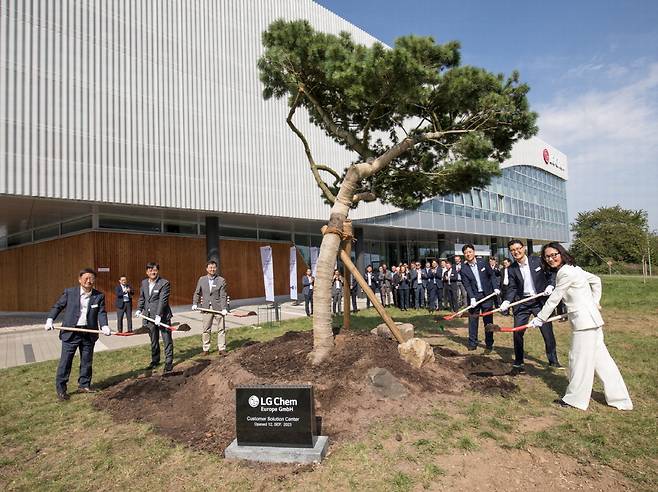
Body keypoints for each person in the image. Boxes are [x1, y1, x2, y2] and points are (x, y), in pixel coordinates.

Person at [530, 242, 633, 411]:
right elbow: (597, 280)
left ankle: (574, 400)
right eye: (547, 256)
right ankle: (621, 399)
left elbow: (555, 297)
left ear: (561, 253)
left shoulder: (565, 272)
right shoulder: (575, 269)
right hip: (592, 321)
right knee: (603, 363)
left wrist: (540, 318)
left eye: (554, 254)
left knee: (578, 361)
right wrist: (594, 302)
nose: (551, 259)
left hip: (584, 324)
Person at [45, 268, 111, 401]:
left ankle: (84, 385)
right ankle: (61, 389)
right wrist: (50, 319)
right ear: (79, 279)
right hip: (71, 332)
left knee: (87, 360)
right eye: (86, 278)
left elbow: (101, 313)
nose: (88, 281)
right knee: (66, 361)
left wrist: (104, 326)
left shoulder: (99, 296)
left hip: (88, 332)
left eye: (91, 278)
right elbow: (58, 306)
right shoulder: (70, 292)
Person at [501, 239, 560, 375]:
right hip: (523, 303)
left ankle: (553, 360)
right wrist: (507, 301)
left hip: (540, 301)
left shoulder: (538, 261)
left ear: (524, 248)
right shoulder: (512, 269)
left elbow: (552, 273)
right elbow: (512, 288)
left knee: (547, 332)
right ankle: (519, 361)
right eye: (513, 250)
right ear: (510, 253)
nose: (516, 252)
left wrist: (551, 285)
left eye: (518, 248)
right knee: (517, 332)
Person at [460, 244, 499, 352]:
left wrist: (495, 288)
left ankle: (489, 343)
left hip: (487, 296)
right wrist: (472, 298)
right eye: (466, 253)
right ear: (464, 255)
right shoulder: (464, 269)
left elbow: (491, 276)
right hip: (474, 297)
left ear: (474, 252)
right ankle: (472, 343)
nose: (468, 254)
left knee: (488, 321)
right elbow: (467, 285)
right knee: (473, 320)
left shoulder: (483, 262)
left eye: (470, 251)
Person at [135, 262, 174, 372]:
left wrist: (158, 315)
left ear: (158, 271)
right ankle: (155, 360)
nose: (153, 272)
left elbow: (163, 300)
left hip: (163, 316)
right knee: (153, 340)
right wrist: (139, 309)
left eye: (155, 270)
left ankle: (168, 362)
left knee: (167, 339)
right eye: (150, 270)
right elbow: (142, 298)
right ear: (147, 272)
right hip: (149, 317)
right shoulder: (144, 283)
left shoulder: (164, 283)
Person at [192, 260, 228, 356]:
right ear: (207, 269)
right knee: (206, 329)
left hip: (218, 308)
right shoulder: (202, 279)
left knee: (221, 329)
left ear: (216, 268)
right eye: (210, 267)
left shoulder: (221, 280)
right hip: (206, 308)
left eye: (214, 267)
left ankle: (222, 348)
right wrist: (195, 303)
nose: (212, 269)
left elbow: (223, 296)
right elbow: (197, 292)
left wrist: (224, 308)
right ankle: (206, 349)